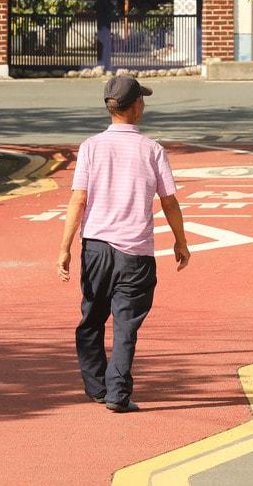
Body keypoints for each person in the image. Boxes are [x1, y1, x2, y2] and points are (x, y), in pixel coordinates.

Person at [56, 75, 191, 413]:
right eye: (142, 100)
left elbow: (78, 200)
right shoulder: (152, 150)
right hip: (136, 253)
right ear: (134, 107)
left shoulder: (90, 147)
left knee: (92, 318)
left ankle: (97, 386)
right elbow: (169, 202)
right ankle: (117, 393)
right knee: (126, 323)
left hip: (97, 248)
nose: (143, 104)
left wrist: (65, 247)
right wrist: (181, 241)